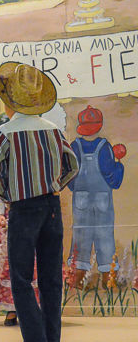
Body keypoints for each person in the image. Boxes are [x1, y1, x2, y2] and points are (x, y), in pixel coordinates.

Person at [0, 63, 78, 342]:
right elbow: (72, 165)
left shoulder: (5, 132)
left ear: (10, 99)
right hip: (51, 206)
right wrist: (54, 187)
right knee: (51, 277)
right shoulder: (53, 130)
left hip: (23, 209)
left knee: (22, 278)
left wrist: (10, 196)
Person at [67, 106, 124, 289]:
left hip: (81, 199)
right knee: (105, 235)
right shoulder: (104, 146)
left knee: (81, 235)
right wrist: (119, 165)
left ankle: (77, 279)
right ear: (99, 126)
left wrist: (77, 188)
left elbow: (69, 175)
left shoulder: (74, 146)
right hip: (102, 199)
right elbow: (112, 179)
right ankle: (109, 280)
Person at [0, 194, 39, 326]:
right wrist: (0, 214)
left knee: (34, 264)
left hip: (33, 216)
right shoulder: (5, 175)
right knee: (9, 265)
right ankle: (13, 309)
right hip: (10, 220)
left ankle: (34, 308)